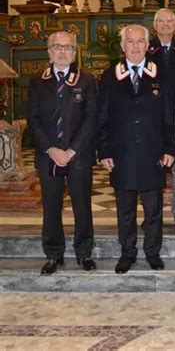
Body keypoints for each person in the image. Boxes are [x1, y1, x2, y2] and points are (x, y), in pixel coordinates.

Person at [97, 24, 175, 274]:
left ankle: (152, 252)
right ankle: (127, 253)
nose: (135, 46)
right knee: (125, 211)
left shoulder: (160, 76)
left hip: (153, 154)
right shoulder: (110, 77)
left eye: (140, 41)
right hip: (121, 155)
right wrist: (105, 152)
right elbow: (102, 119)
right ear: (123, 47)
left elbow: (169, 117)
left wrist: (170, 149)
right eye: (130, 42)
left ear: (147, 45)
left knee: (153, 211)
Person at [27, 31, 96, 275]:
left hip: (78, 155)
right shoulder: (37, 81)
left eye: (68, 47)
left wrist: (71, 149)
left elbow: (91, 119)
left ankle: (84, 253)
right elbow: (33, 120)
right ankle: (54, 254)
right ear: (49, 51)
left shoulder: (86, 80)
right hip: (48, 156)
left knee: (82, 206)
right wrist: (51, 149)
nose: (62, 51)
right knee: (51, 206)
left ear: (75, 52)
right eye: (57, 47)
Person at [148, 8, 175, 227]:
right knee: (153, 166)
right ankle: (152, 212)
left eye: (169, 21)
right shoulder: (146, 51)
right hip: (153, 117)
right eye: (161, 21)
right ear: (154, 26)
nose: (165, 25)